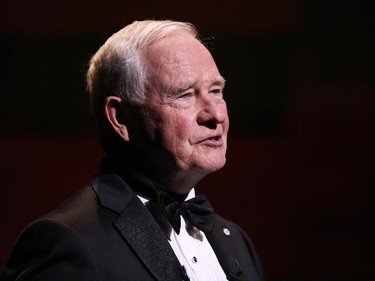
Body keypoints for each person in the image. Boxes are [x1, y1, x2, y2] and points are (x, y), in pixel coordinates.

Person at [0, 20, 264, 281]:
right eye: (185, 95)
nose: (216, 114)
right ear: (121, 118)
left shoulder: (237, 242)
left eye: (216, 91)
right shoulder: (67, 242)